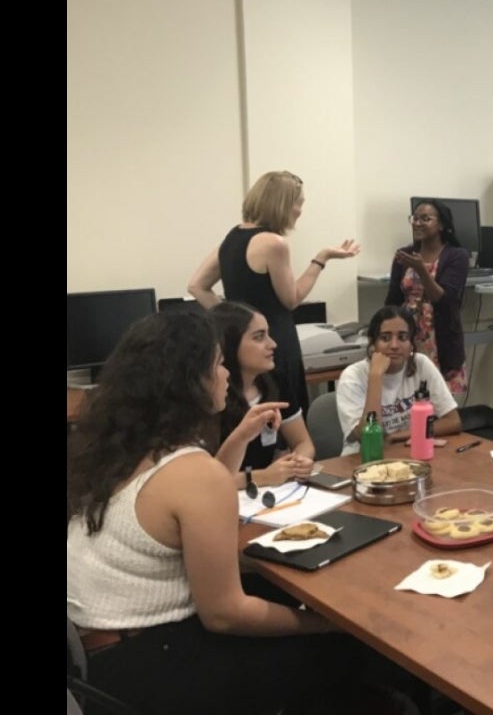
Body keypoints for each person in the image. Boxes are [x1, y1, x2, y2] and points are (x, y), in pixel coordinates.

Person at [66, 310, 359, 714]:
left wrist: (239, 436)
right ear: (190, 380)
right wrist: (329, 623)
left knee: (276, 589)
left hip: (98, 654)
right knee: (343, 649)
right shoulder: (192, 471)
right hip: (148, 667)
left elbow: (192, 510)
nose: (226, 374)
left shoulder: (118, 450)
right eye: (218, 364)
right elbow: (225, 614)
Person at [188, 170, 360, 414]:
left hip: (242, 346)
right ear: (283, 204)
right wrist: (321, 258)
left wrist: (232, 324)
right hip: (275, 342)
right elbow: (291, 300)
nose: (300, 211)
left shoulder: (231, 238)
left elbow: (197, 285)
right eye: (298, 203)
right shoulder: (273, 243)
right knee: (286, 415)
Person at [210, 301, 316, 491]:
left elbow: (303, 442)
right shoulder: (213, 395)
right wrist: (263, 476)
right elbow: (204, 480)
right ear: (229, 344)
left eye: (269, 334)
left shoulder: (276, 380)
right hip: (226, 498)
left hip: (271, 494)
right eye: (259, 337)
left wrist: (299, 461)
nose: (273, 344)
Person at [336, 305, 462, 448]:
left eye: (402, 337)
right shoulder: (352, 376)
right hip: (363, 459)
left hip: (407, 453)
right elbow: (369, 439)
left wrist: (397, 437)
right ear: (373, 343)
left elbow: (453, 421)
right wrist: (375, 377)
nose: (394, 345)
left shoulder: (421, 364)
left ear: (411, 344)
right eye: (385, 338)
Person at [385, 199, 470, 394]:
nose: (417, 223)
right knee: (407, 395)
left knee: (438, 401)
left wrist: (421, 270)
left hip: (439, 336)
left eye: (425, 218)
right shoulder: (405, 254)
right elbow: (392, 300)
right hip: (407, 333)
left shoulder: (457, 256)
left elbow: (444, 299)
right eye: (414, 218)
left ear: (441, 225)